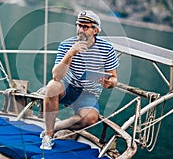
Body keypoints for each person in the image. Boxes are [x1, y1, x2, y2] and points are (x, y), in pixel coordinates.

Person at [40, 10, 119, 150]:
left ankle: (56, 126)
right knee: (52, 86)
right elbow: (56, 76)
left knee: (90, 119)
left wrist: (110, 83)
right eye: (79, 25)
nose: (81, 29)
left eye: (85, 27)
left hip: (88, 92)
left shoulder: (107, 49)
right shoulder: (66, 45)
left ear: (95, 30)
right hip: (67, 86)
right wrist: (71, 53)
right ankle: (48, 135)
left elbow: (113, 78)